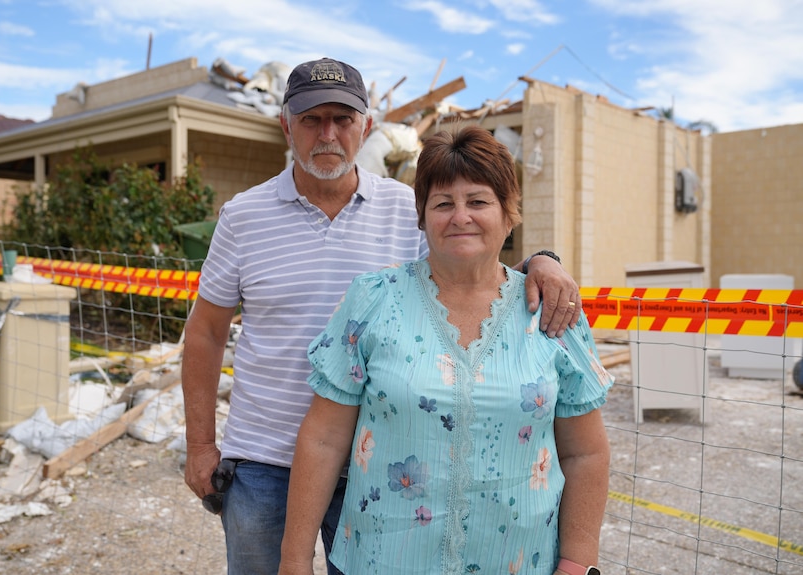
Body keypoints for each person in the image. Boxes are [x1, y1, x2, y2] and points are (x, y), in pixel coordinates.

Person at [182, 58, 583, 575]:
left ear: (366, 127)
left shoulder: (410, 210)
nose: (328, 134)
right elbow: (207, 332)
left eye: (343, 120)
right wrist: (199, 445)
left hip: (385, 468)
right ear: (286, 125)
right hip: (266, 465)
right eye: (311, 119)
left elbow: (474, 262)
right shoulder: (242, 218)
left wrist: (541, 262)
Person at [278, 126, 612, 575]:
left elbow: (585, 453)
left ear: (509, 213)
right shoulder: (373, 301)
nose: (460, 217)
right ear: (421, 215)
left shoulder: (551, 312)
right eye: (442, 203)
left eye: (478, 201)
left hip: (518, 562)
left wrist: (577, 562)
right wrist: (294, 560)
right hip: (383, 562)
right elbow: (323, 439)